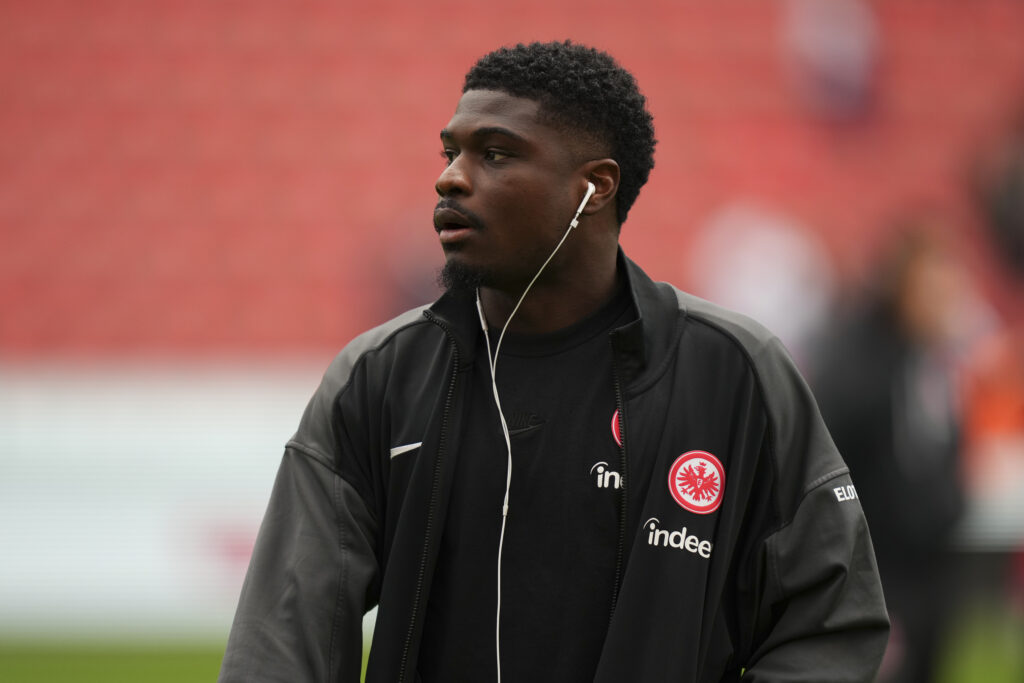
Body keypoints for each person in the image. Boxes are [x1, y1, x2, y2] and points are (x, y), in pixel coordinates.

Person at [219, 41, 888, 683]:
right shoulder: (378, 378)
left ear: (594, 188)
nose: (450, 177)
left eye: (495, 153)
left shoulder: (735, 373)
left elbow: (828, 618)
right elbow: (284, 640)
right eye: (452, 152)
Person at [812, 225, 967, 683]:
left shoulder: (926, 360)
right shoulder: (858, 364)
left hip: (924, 567)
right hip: (877, 571)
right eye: (934, 290)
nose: (947, 304)